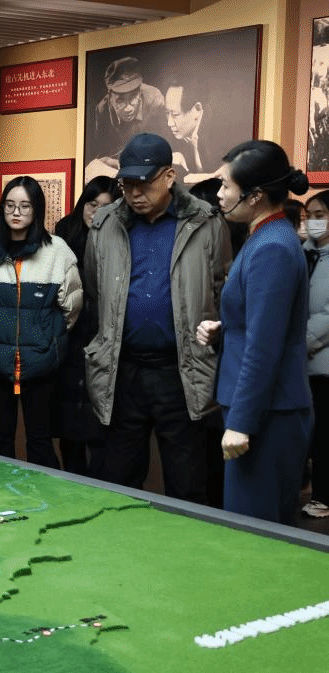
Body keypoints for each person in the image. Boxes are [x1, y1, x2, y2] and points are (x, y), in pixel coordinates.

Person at [85, 133, 231, 504]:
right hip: (123, 368)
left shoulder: (205, 223)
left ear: (168, 176)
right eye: (127, 184)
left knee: (187, 479)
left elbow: (220, 290)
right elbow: (95, 290)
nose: (135, 193)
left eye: (144, 183)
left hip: (180, 369)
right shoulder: (104, 224)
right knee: (118, 477)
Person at [195, 141, 312, 523]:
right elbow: (261, 324)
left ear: (256, 195)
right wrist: (226, 331)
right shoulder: (263, 235)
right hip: (264, 408)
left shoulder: (272, 246)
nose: (220, 193)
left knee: (256, 532)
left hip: (267, 415)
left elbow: (264, 346)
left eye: (226, 185)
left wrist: (241, 423)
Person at [0, 176, 82, 468]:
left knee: (40, 440)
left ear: (37, 209)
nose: (16, 212)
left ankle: (44, 494)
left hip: (41, 361)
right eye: (9, 205)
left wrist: (47, 337)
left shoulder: (57, 251)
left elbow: (71, 307)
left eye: (24, 206)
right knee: (0, 438)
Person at [53, 176, 118, 477]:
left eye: (106, 206)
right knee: (68, 421)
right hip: (69, 338)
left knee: (102, 423)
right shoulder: (63, 237)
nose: (97, 212)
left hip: (105, 339)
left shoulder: (120, 240)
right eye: (92, 204)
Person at [86, 57, 167, 180]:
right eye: (120, 100)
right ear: (110, 96)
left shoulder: (155, 100)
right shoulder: (101, 110)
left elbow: (166, 142)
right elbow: (103, 150)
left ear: (139, 91)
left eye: (133, 97)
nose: (128, 108)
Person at [301, 191, 329, 518]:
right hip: (300, 362)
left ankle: (323, 494)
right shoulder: (303, 253)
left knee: (324, 433)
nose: (312, 222)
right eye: (309, 215)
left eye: (319, 215)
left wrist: (302, 340)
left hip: (322, 361)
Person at [163, 78, 223, 183]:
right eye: (167, 113)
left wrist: (189, 178)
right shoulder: (173, 136)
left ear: (197, 109)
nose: (170, 123)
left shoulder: (220, 133)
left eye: (175, 114)